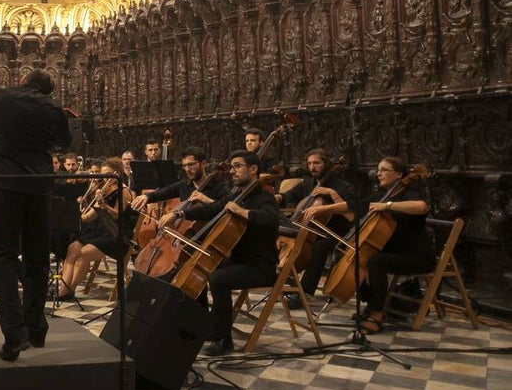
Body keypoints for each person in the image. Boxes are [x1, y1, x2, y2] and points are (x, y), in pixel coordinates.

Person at [0, 69, 71, 360]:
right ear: (47, 90)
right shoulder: (53, 107)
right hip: (39, 188)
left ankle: (14, 335)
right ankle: (36, 327)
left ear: (23, 80)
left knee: (2, 255)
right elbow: (64, 142)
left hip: (5, 185)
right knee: (38, 258)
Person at [157, 150, 280, 356]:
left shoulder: (264, 196)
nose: (232, 171)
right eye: (232, 167)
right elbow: (210, 209)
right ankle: (204, 323)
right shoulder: (236, 194)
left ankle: (224, 338)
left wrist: (242, 212)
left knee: (218, 279)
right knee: (197, 267)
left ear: (253, 169)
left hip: (261, 266)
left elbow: (271, 219)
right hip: (238, 261)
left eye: (238, 166)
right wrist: (179, 213)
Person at [356, 157, 434, 334]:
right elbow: (358, 206)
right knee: (356, 257)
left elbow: (421, 207)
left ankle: (377, 315)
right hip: (396, 252)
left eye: (384, 170)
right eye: (378, 169)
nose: (378, 173)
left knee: (376, 262)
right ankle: (371, 303)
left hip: (417, 256)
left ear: (399, 174)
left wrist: (388, 206)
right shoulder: (382, 194)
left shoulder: (410, 192)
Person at [278, 148, 356, 309]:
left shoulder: (344, 186)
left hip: (336, 233)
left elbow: (351, 217)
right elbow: (289, 196)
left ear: (326, 164)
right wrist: (277, 197)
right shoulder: (308, 184)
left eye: (317, 163)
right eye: (310, 163)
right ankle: (288, 283)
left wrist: (332, 194)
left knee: (318, 247)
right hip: (310, 230)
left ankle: (304, 292)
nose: (312, 167)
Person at [56, 158, 133, 299]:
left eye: (108, 174)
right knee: (72, 248)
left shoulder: (125, 191)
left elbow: (116, 216)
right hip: (99, 231)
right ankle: (63, 290)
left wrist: (104, 205)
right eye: (103, 175)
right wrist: (79, 207)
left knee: (82, 254)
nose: (105, 178)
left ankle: (67, 293)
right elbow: (89, 217)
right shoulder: (103, 190)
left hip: (116, 233)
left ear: (117, 173)